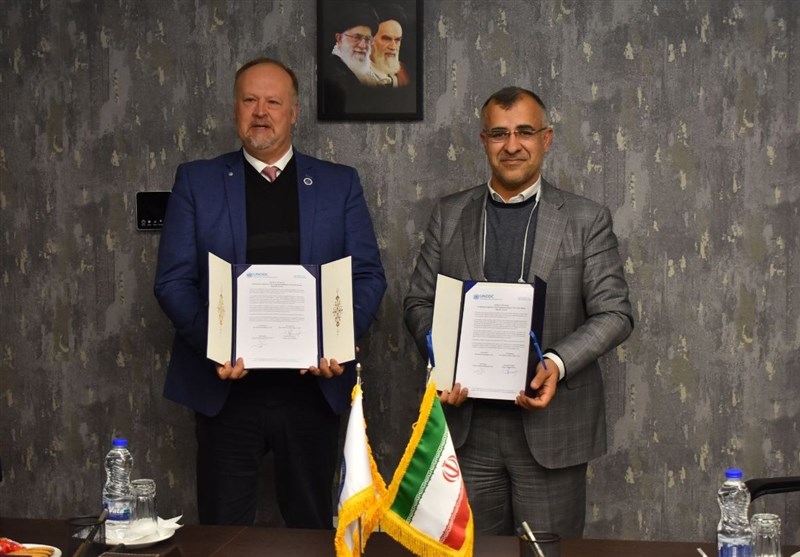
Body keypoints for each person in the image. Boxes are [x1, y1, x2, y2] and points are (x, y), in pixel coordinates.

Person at [154, 57, 387, 527]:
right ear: (235, 109)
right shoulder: (196, 181)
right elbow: (173, 281)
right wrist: (215, 346)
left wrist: (339, 341)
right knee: (223, 532)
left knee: (311, 530)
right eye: (250, 100)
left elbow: (367, 276)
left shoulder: (339, 183)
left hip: (312, 392)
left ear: (294, 112)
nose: (261, 112)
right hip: (225, 392)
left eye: (273, 102)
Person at [403, 86, 633, 538]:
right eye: (499, 134)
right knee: (473, 551)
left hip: (551, 427)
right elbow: (418, 302)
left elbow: (615, 313)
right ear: (484, 141)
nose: (512, 145)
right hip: (468, 428)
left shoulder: (586, 218)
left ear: (546, 139)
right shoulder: (449, 214)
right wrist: (444, 362)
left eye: (524, 132)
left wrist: (556, 363)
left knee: (544, 552)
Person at [319, 3, 379, 117]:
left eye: (367, 39)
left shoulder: (364, 75)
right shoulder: (331, 75)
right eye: (357, 37)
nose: (363, 45)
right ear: (339, 39)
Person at [369, 7, 410, 87]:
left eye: (397, 40)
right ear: (370, 40)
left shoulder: (404, 72)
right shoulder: (358, 74)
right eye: (386, 39)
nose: (393, 47)